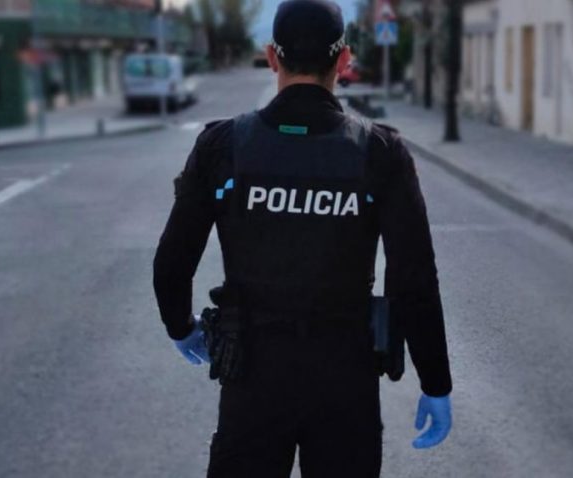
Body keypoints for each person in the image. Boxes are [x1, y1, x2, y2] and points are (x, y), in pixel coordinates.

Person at [153, 1, 453, 476]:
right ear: (344, 59)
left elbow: (172, 261)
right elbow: (413, 279)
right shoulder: (380, 152)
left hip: (252, 377)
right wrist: (435, 381)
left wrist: (180, 326)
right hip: (346, 381)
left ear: (272, 56)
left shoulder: (222, 145)